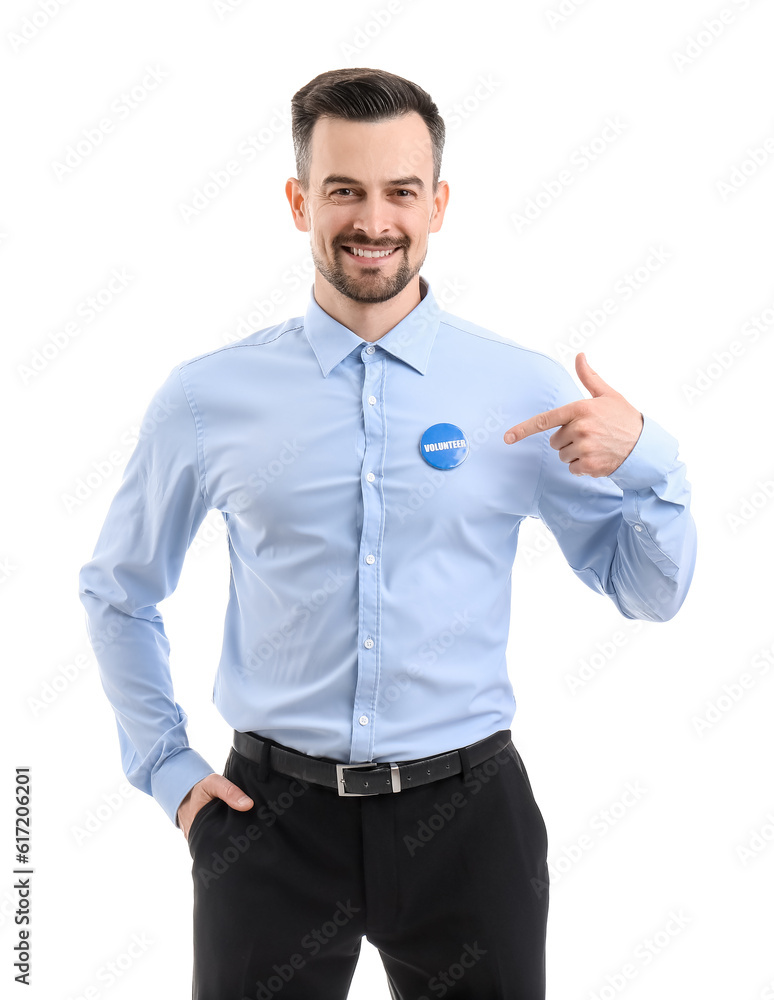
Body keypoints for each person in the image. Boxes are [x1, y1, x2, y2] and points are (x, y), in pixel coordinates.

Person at [78, 67, 697, 1000]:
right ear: (299, 202)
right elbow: (118, 590)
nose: (375, 219)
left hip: (470, 823)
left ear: (438, 203)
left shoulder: (521, 392)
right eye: (344, 191)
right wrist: (170, 772)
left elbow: (651, 592)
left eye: (401, 191)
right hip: (267, 821)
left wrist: (651, 457)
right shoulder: (207, 400)